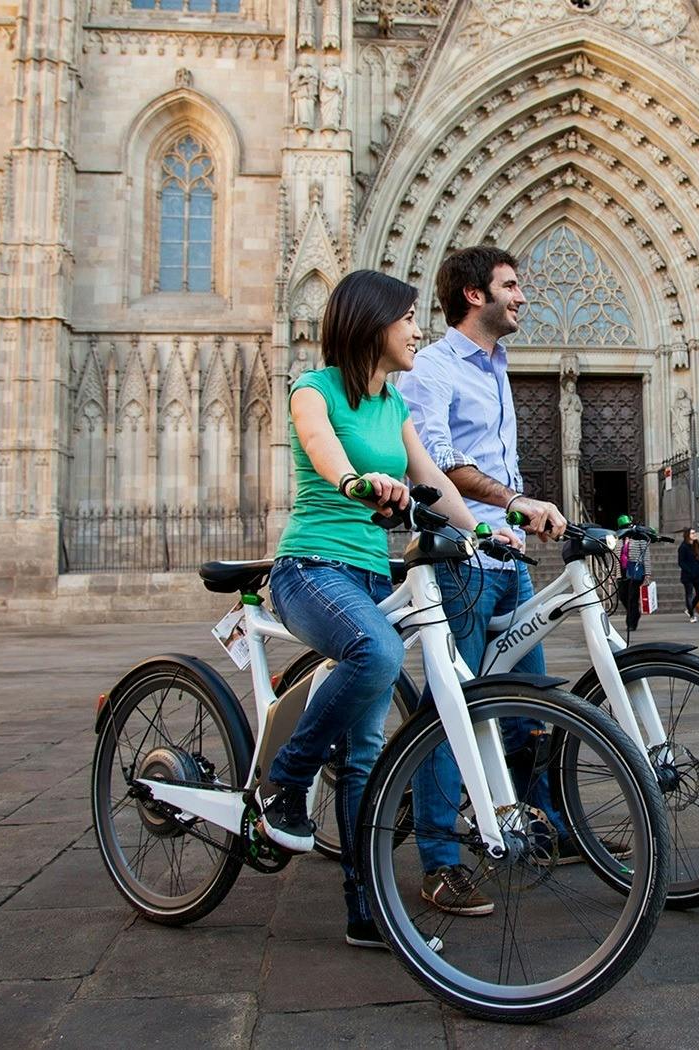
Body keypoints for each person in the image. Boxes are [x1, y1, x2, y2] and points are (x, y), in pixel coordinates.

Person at [261, 269, 516, 948]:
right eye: (407, 318)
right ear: (372, 322)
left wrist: (485, 532)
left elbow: (431, 479)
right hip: (309, 568)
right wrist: (355, 479)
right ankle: (286, 780)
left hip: (369, 575)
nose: (417, 330)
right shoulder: (313, 390)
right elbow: (323, 450)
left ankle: (364, 908)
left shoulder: (394, 405)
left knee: (368, 750)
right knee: (375, 651)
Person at [399, 245, 598, 915]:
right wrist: (517, 503)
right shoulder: (432, 369)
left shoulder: (499, 367)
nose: (522, 296)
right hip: (461, 565)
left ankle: (542, 828)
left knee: (527, 710)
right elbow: (434, 466)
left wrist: (523, 510)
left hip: (507, 565)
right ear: (472, 295)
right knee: (449, 710)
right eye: (511, 285)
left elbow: (493, 469)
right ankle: (440, 859)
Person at [619, 532, 651, 632]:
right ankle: (635, 613)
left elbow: (646, 556)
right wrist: (613, 574)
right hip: (622, 571)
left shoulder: (640, 539)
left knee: (632, 597)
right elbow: (615, 556)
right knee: (622, 595)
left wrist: (647, 573)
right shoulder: (619, 539)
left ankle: (631, 623)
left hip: (636, 571)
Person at [678, 527, 699, 622]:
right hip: (688, 576)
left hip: (698, 575)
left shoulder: (696, 545)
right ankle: (692, 615)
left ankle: (689, 609)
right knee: (689, 594)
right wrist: (689, 570)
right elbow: (681, 562)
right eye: (692, 533)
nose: (694, 535)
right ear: (688, 535)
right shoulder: (683, 547)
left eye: (694, 533)